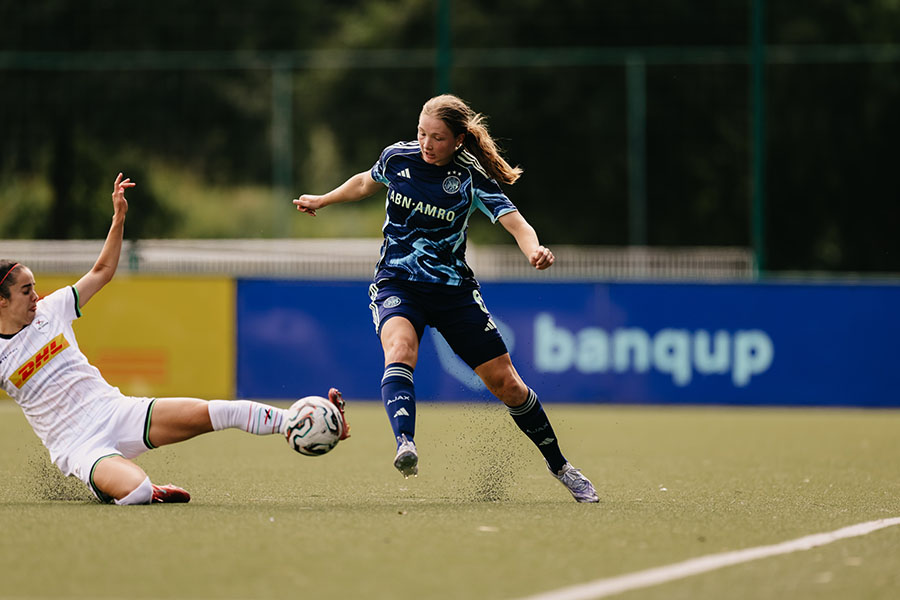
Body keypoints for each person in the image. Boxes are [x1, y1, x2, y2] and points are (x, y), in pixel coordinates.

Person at [293, 94, 598, 503]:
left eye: (437, 137)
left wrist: (533, 250)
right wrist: (323, 199)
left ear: (457, 140)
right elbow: (367, 181)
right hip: (397, 283)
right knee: (400, 349)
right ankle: (406, 444)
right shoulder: (397, 158)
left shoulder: (470, 176)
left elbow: (515, 221)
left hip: (453, 292)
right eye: (422, 133)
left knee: (507, 385)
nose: (426, 144)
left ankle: (561, 466)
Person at [0, 174, 349, 505]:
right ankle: (146, 489)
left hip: (117, 411)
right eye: (26, 291)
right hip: (78, 446)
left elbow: (102, 272)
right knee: (135, 492)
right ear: (2, 300)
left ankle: (294, 420)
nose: (36, 296)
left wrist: (118, 217)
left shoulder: (52, 309)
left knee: (217, 411)